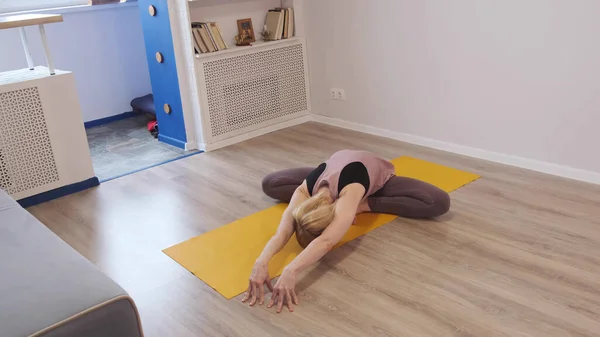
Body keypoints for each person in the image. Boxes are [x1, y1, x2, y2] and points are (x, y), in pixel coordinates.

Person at [242, 149, 450, 312]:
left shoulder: (348, 191)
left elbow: (326, 242)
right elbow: (282, 233)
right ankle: (353, 206)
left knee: (438, 202)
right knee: (270, 184)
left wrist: (291, 270)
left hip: (373, 170)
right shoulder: (305, 190)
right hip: (337, 165)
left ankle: (363, 204)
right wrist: (261, 261)